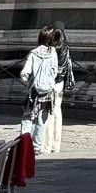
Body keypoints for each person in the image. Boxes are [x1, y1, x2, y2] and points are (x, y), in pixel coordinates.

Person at [20, 28, 59, 149]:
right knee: (41, 118)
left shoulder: (33, 53)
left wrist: (27, 80)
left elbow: (24, 73)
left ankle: (24, 145)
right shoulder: (53, 52)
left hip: (34, 91)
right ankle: (37, 146)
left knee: (28, 117)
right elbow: (55, 72)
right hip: (48, 91)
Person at [41, 27, 76, 156]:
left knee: (48, 113)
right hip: (60, 83)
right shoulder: (66, 47)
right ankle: (56, 145)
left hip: (51, 82)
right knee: (56, 112)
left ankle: (47, 145)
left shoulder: (52, 48)